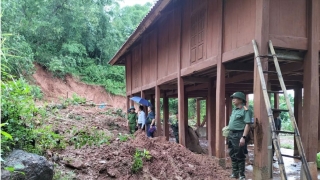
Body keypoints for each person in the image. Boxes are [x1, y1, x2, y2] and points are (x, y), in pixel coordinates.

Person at [228, 92, 252, 180]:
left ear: (241, 100)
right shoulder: (235, 110)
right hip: (231, 134)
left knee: (240, 154)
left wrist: (243, 137)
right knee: (232, 153)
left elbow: (247, 124)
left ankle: (242, 175)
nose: (233, 100)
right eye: (233, 98)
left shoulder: (245, 110)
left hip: (239, 134)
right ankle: (235, 173)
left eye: (235, 98)